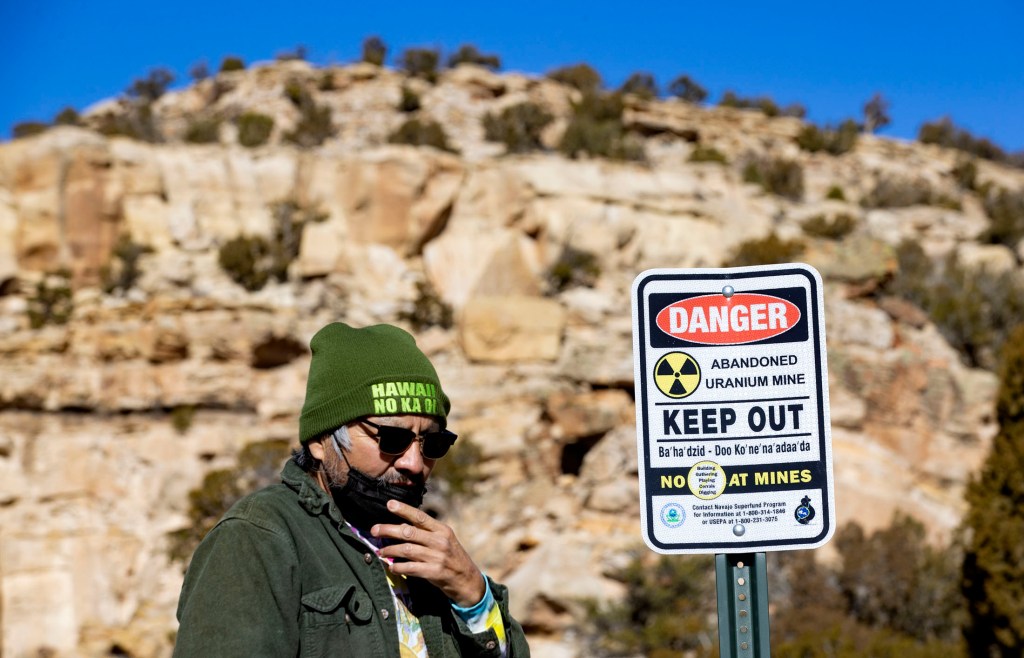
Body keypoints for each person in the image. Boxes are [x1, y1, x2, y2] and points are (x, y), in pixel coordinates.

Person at [173, 322, 530, 657]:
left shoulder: (433, 556)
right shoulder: (258, 538)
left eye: (432, 443)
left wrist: (473, 595)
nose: (414, 462)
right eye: (392, 439)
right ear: (320, 441)